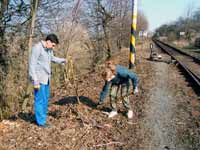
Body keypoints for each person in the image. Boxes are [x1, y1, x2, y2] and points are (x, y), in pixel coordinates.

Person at [29, 33, 67, 127]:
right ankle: (41, 122)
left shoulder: (49, 50)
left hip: (47, 79)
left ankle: (43, 117)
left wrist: (63, 60)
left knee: (45, 99)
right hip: (39, 80)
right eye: (53, 45)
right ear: (48, 41)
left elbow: (52, 58)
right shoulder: (37, 48)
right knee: (40, 100)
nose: (53, 47)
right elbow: (31, 65)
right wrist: (35, 80)